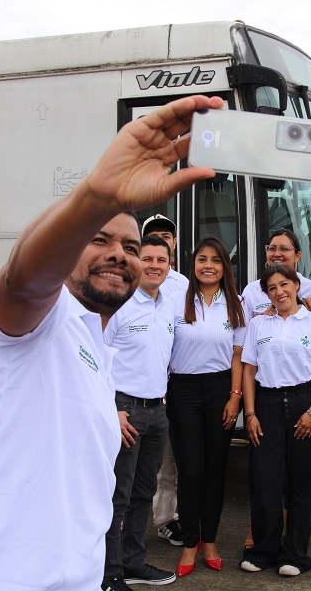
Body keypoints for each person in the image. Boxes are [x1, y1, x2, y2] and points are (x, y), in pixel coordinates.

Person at [0, 94, 227, 591]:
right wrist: (95, 198)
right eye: (97, 239)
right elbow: (24, 278)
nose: (119, 255)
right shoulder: (32, 319)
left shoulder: (98, 351)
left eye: (129, 247)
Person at [240, 264, 311, 577]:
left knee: (301, 482)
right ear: (265, 293)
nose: (279, 292)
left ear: (296, 285)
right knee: (266, 482)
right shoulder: (258, 324)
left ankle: (295, 554)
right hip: (266, 404)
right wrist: (250, 413)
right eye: (272, 288)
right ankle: (264, 550)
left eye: (285, 285)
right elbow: (249, 371)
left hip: (304, 402)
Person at [167, 236, 246, 577]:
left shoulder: (235, 303)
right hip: (182, 391)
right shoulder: (175, 300)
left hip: (220, 390)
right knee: (191, 471)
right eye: (202, 259)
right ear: (193, 263)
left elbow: (239, 356)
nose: (209, 265)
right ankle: (189, 543)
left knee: (215, 470)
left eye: (216, 259)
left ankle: (209, 540)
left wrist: (235, 396)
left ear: (224, 267)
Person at [102, 235, 177, 588]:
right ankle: (109, 573)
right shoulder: (118, 305)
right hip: (124, 412)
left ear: (169, 265)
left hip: (156, 412)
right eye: (147, 258)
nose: (155, 265)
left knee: (143, 493)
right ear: (136, 262)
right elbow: (95, 362)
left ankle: (132, 562)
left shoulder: (168, 305)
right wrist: (111, 410)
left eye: (162, 260)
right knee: (118, 496)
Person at [140, 213, 188, 547]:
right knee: (136, 471)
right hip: (137, 391)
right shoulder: (131, 284)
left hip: (173, 385)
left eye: (167, 237)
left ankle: (170, 518)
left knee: (170, 459)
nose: (163, 238)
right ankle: (154, 523)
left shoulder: (184, 283)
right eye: (154, 236)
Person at [241, 229, 311, 319]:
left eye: (284, 249)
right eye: (272, 249)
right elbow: (244, 329)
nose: (277, 254)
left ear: (297, 256)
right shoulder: (252, 290)